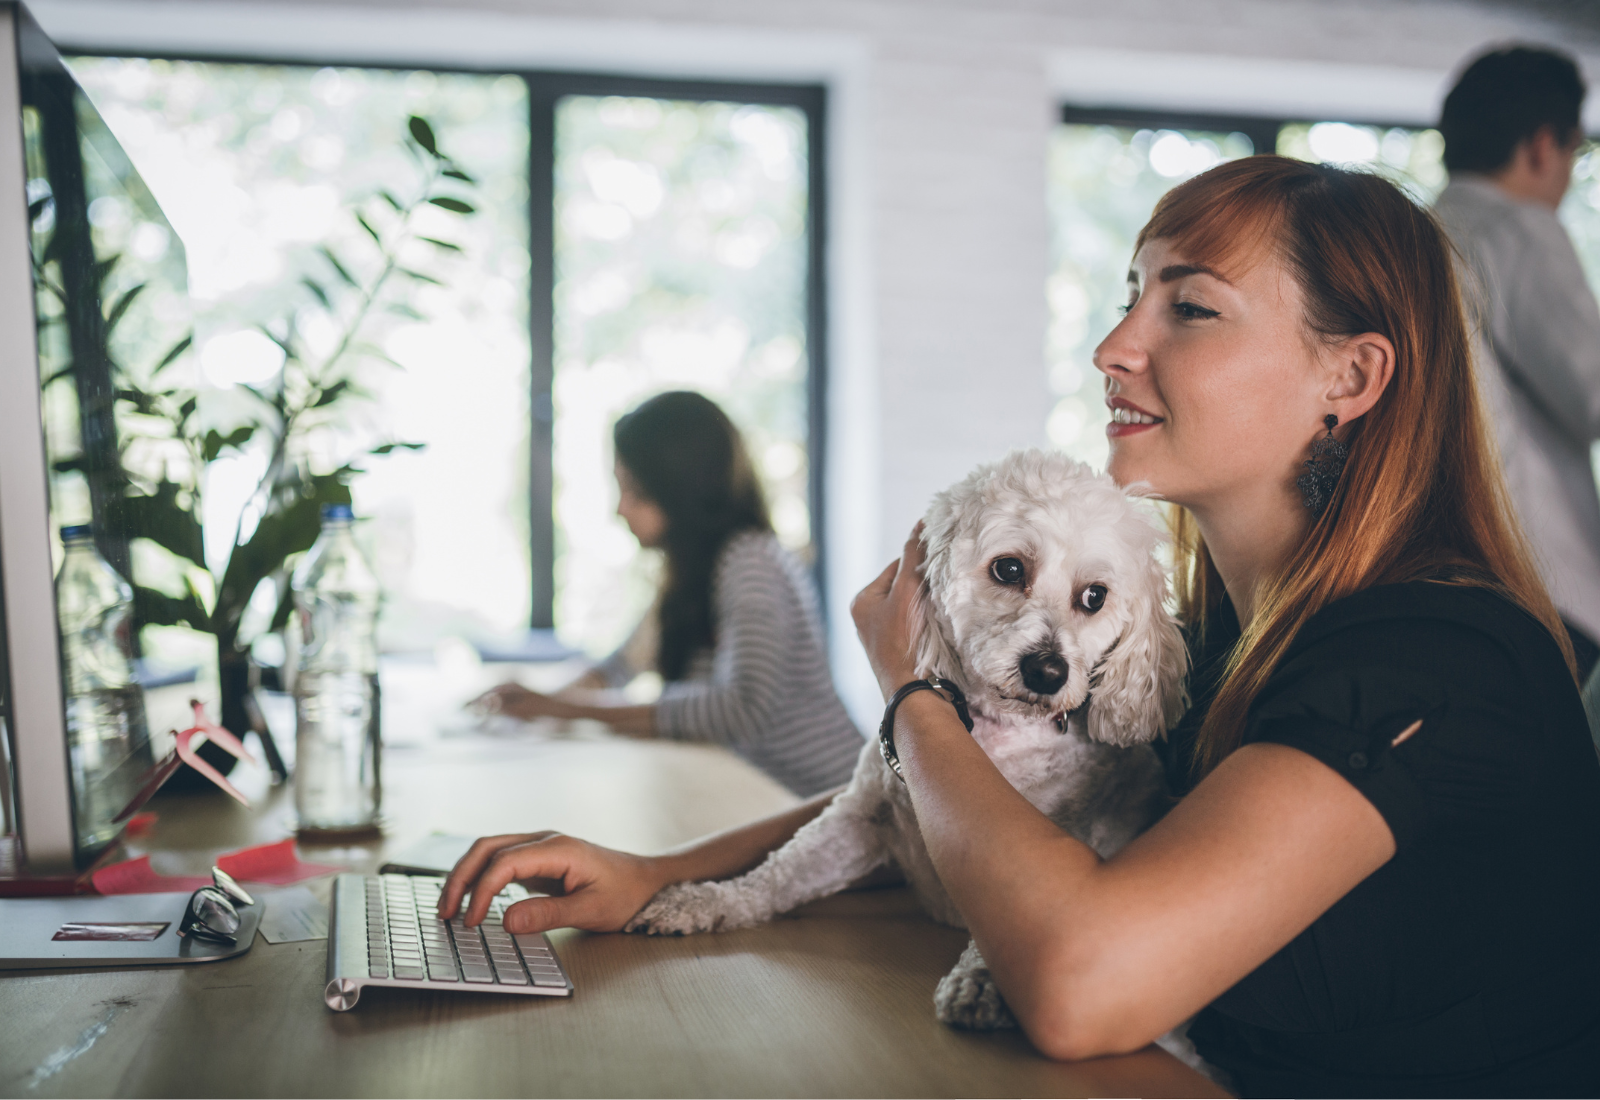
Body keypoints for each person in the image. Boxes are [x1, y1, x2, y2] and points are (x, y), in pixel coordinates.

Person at [441, 159, 1600, 1096]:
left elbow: (1082, 982)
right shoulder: (1226, 631)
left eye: (1187, 306)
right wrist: (653, 876)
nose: (1115, 346)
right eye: (1128, 296)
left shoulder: (1434, 662)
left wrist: (913, 692)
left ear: (1350, 376)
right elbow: (985, 797)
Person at [472, 390, 863, 799]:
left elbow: (741, 709)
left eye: (634, 490)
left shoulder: (751, 562)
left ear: (679, 488)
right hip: (759, 797)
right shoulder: (697, 570)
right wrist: (537, 700)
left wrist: (563, 709)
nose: (620, 509)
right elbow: (618, 668)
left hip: (828, 804)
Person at [1433, 45, 1600, 678]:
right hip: (1548, 579)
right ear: (1541, 146)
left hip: (1464, 572)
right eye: (1574, 156)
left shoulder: (1420, 234)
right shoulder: (1517, 229)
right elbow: (1591, 392)